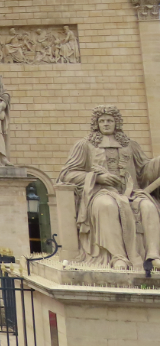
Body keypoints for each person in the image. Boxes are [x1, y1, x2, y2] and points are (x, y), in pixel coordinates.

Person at [58, 105, 160, 270]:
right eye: (102, 120)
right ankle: (117, 257)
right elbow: (67, 174)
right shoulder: (85, 145)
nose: (106, 124)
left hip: (131, 193)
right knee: (107, 206)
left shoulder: (131, 145)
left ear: (116, 123)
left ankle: (153, 256)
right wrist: (98, 178)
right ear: (96, 123)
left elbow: (144, 171)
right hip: (99, 193)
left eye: (110, 120)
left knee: (148, 206)